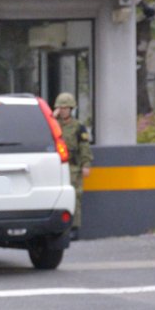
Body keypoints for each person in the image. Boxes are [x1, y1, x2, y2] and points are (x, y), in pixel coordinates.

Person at [53, 92, 92, 239]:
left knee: (75, 196)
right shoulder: (54, 125)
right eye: (60, 108)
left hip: (73, 167)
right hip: (57, 167)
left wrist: (86, 163)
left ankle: (74, 228)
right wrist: (53, 116)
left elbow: (84, 147)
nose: (63, 111)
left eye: (65, 108)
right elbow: (42, 126)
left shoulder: (78, 127)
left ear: (71, 109)